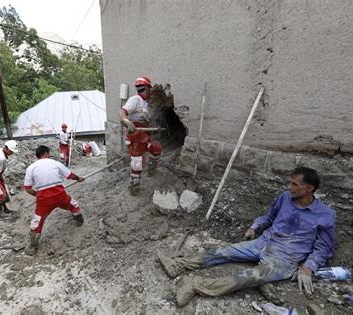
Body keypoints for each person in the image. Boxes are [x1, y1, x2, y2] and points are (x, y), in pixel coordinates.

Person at [157, 167, 336, 306]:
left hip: (284, 258)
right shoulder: (285, 198)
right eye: (290, 183)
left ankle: (196, 285)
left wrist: (308, 267)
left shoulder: (325, 215)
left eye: (295, 185)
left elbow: (325, 247)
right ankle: (178, 265)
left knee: (247, 277)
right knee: (223, 251)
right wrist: (254, 227)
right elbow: (270, 217)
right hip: (264, 242)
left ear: (310, 188)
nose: (289, 187)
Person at [23, 145, 85, 256]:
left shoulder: (31, 168)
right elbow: (70, 175)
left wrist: (38, 195)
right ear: (46, 153)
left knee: (37, 222)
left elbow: (27, 188)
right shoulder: (55, 163)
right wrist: (79, 178)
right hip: (60, 195)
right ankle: (79, 221)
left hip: (43, 200)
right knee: (73, 205)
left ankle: (33, 246)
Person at [118, 76, 162, 195]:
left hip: (144, 134)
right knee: (137, 164)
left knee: (156, 148)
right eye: (149, 89)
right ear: (146, 88)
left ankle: (152, 170)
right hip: (135, 135)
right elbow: (122, 112)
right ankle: (134, 186)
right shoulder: (135, 99)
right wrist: (126, 121)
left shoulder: (146, 103)